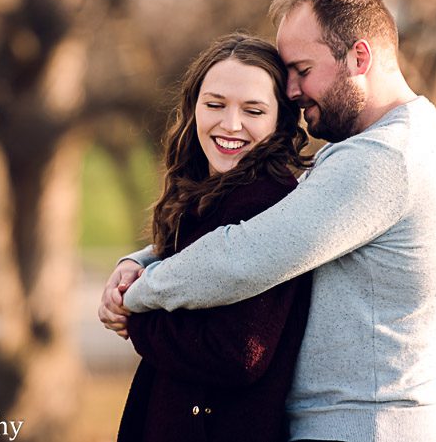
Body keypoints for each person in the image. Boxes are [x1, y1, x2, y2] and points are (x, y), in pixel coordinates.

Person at [99, 0, 436, 442]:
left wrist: (136, 299)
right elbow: (284, 226)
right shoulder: (396, 142)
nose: (292, 90)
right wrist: (142, 260)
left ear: (359, 56)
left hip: (363, 429)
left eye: (302, 70)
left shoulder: (385, 158)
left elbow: (246, 255)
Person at [116, 33, 314, 442]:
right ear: (193, 107)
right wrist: (138, 264)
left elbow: (239, 353)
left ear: (280, 120)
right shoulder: (207, 195)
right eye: (215, 104)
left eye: (253, 110)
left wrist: (137, 318)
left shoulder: (267, 203)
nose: (231, 124)